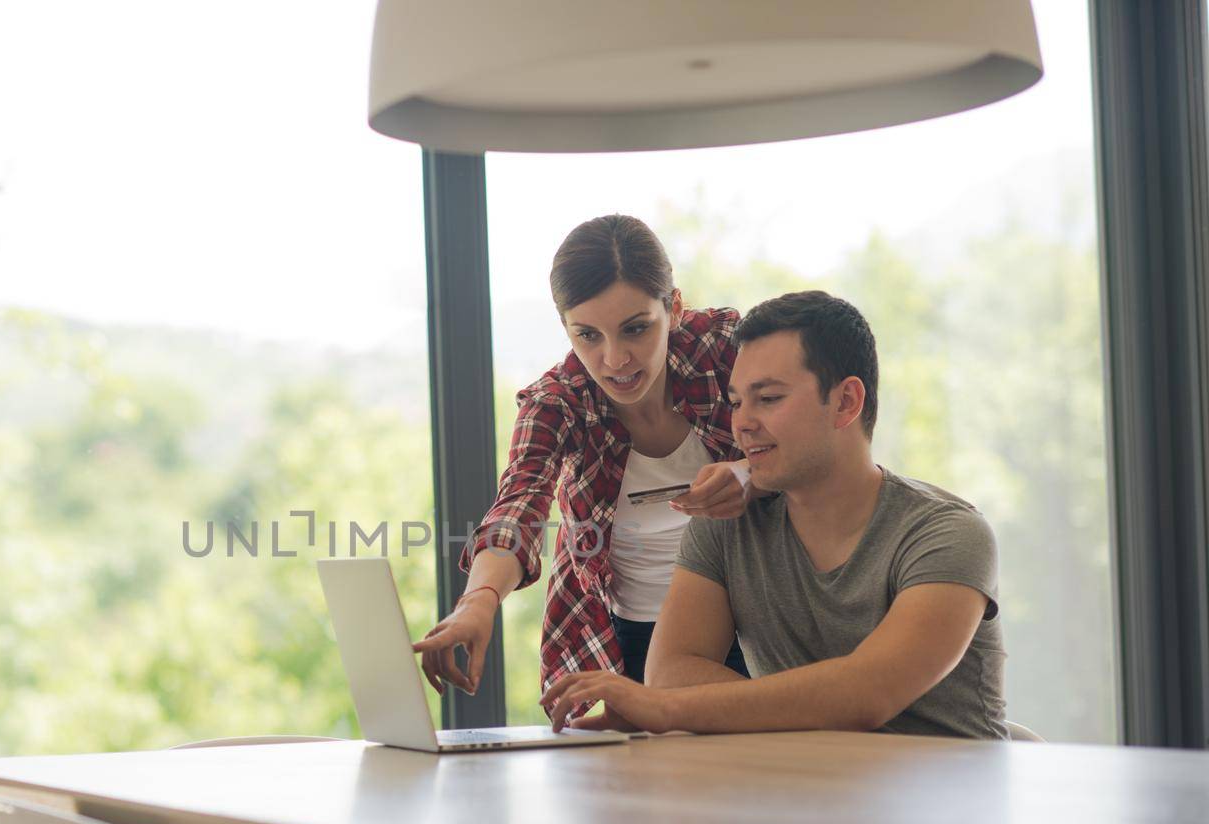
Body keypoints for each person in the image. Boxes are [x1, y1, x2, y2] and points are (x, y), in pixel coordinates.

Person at [541, 290, 1008, 740]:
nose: (741, 423)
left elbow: (869, 692)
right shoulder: (724, 527)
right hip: (802, 798)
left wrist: (668, 710)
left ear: (846, 402)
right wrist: (803, 706)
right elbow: (672, 672)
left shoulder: (947, 533)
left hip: (948, 808)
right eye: (737, 401)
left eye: (768, 399)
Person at [414, 214, 752, 706]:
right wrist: (478, 601)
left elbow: (805, 447)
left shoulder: (723, 349)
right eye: (588, 335)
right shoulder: (558, 401)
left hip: (752, 625)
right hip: (620, 641)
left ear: (673, 308)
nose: (615, 359)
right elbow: (519, 506)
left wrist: (750, 475)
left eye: (636, 329)